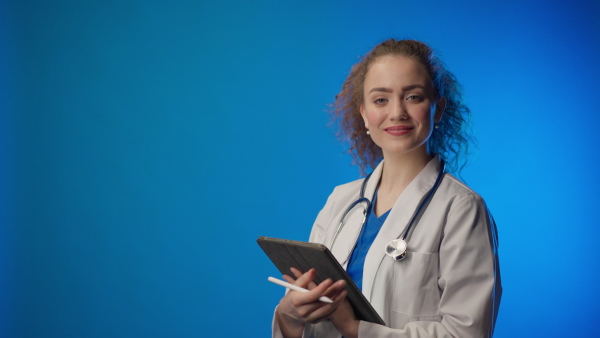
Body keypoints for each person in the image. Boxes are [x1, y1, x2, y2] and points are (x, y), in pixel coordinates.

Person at [272, 39, 502, 338]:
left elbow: (466, 333)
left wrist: (356, 329)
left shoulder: (461, 208)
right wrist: (290, 318)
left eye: (413, 97)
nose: (397, 113)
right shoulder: (341, 200)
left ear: (438, 108)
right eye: (381, 100)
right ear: (365, 113)